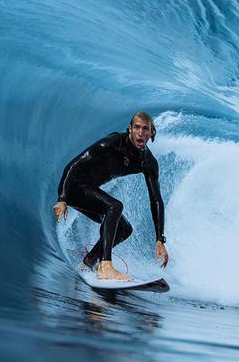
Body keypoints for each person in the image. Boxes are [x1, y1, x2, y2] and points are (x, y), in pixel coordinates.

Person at [53, 111, 169, 281]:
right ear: (129, 130)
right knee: (114, 206)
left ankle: (88, 262)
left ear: (152, 132)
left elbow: (156, 200)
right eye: (136, 127)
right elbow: (74, 165)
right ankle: (105, 266)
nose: (140, 132)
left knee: (124, 229)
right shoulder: (113, 142)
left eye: (146, 128)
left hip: (88, 190)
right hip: (73, 186)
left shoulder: (148, 163)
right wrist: (62, 198)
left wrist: (160, 239)